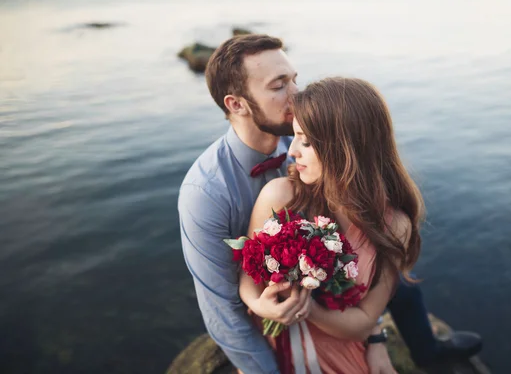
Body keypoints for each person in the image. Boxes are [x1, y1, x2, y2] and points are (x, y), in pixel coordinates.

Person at [178, 34, 481, 374]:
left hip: (344, 287)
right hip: (283, 313)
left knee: (393, 269)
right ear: (237, 104)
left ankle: (427, 350)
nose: (296, 94)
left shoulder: (306, 135)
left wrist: (375, 337)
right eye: (279, 86)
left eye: (294, 79)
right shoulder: (206, 193)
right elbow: (222, 307)